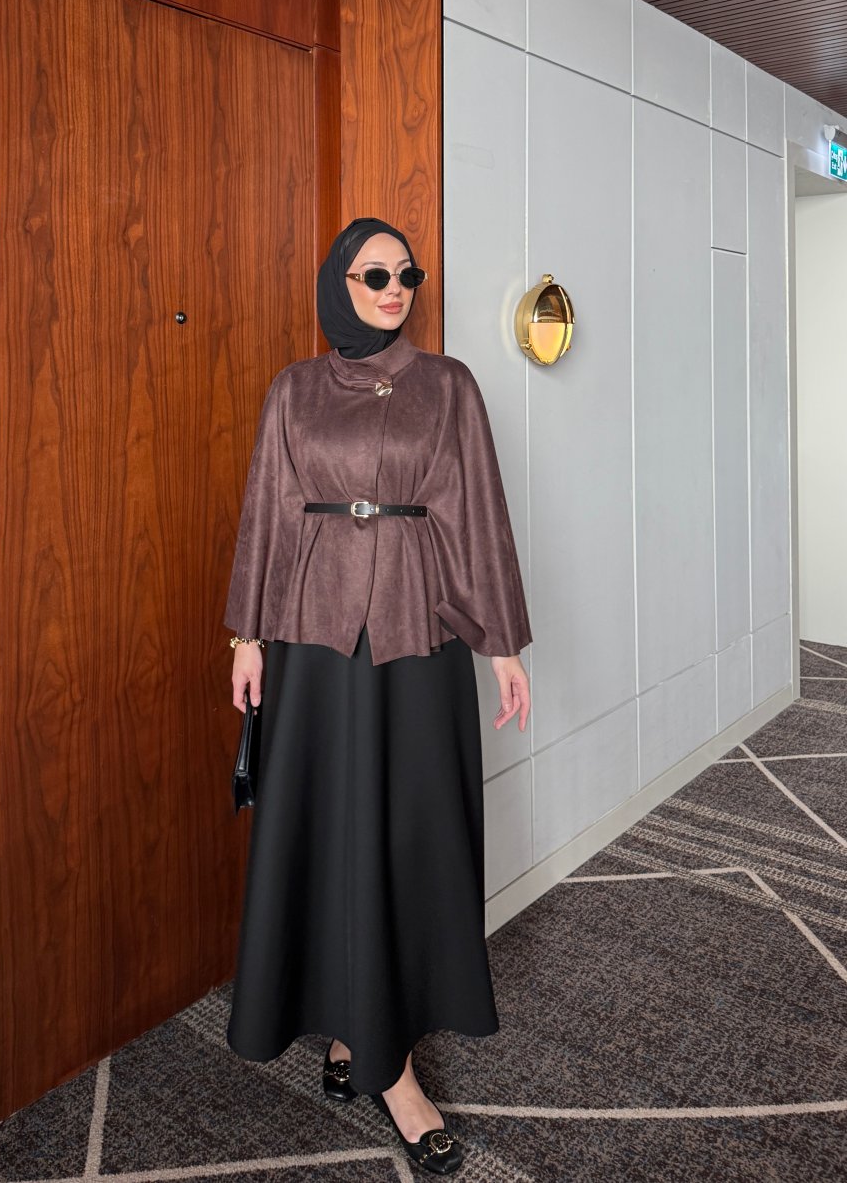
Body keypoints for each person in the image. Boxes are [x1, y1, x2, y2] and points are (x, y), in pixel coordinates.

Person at [224, 217, 532, 1175]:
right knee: (326, 828)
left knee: (404, 832)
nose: (395, 288)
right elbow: (269, 511)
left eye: (407, 274)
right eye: (374, 275)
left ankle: (378, 1047)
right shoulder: (293, 389)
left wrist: (502, 646)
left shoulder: (448, 384)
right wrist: (247, 636)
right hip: (313, 640)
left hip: (415, 635)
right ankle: (365, 1042)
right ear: (339, 285)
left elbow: (476, 512)